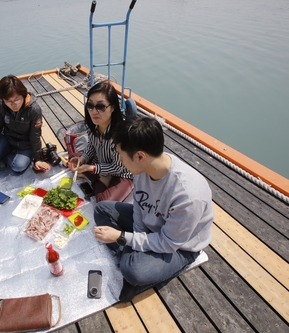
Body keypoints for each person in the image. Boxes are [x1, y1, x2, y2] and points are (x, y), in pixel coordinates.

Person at [93, 116, 214, 302]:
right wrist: (137, 236)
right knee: (101, 210)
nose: (120, 160)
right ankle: (132, 256)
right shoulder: (144, 169)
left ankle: (130, 265)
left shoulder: (188, 195)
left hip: (180, 246)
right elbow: (140, 208)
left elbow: (168, 243)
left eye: (121, 156)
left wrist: (121, 237)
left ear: (140, 156)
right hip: (153, 226)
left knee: (133, 270)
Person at [0, 75, 50, 173]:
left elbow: (35, 135)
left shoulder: (34, 110)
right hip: (8, 138)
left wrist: (37, 159)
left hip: (25, 143)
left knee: (19, 167)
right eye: (8, 101)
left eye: (17, 99)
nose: (13, 104)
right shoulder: (1, 105)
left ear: (23, 94)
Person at [68, 81, 133, 202]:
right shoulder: (94, 125)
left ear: (112, 108)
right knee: (73, 159)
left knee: (103, 203)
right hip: (101, 162)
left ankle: (99, 179)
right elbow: (92, 145)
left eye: (100, 107)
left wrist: (91, 169)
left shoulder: (120, 134)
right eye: (90, 106)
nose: (93, 111)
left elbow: (117, 168)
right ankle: (98, 176)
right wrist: (83, 159)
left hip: (122, 173)